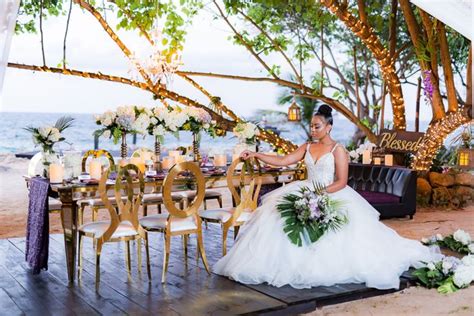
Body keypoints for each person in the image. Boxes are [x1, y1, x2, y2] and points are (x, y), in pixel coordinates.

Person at [213, 104, 439, 290]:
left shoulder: (338, 150)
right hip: (304, 190)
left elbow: (341, 181)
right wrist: (255, 154)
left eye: (317, 126)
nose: (313, 130)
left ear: (329, 127)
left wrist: (318, 194)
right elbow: (283, 161)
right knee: (276, 217)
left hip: (330, 193)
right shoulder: (307, 146)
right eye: (312, 126)